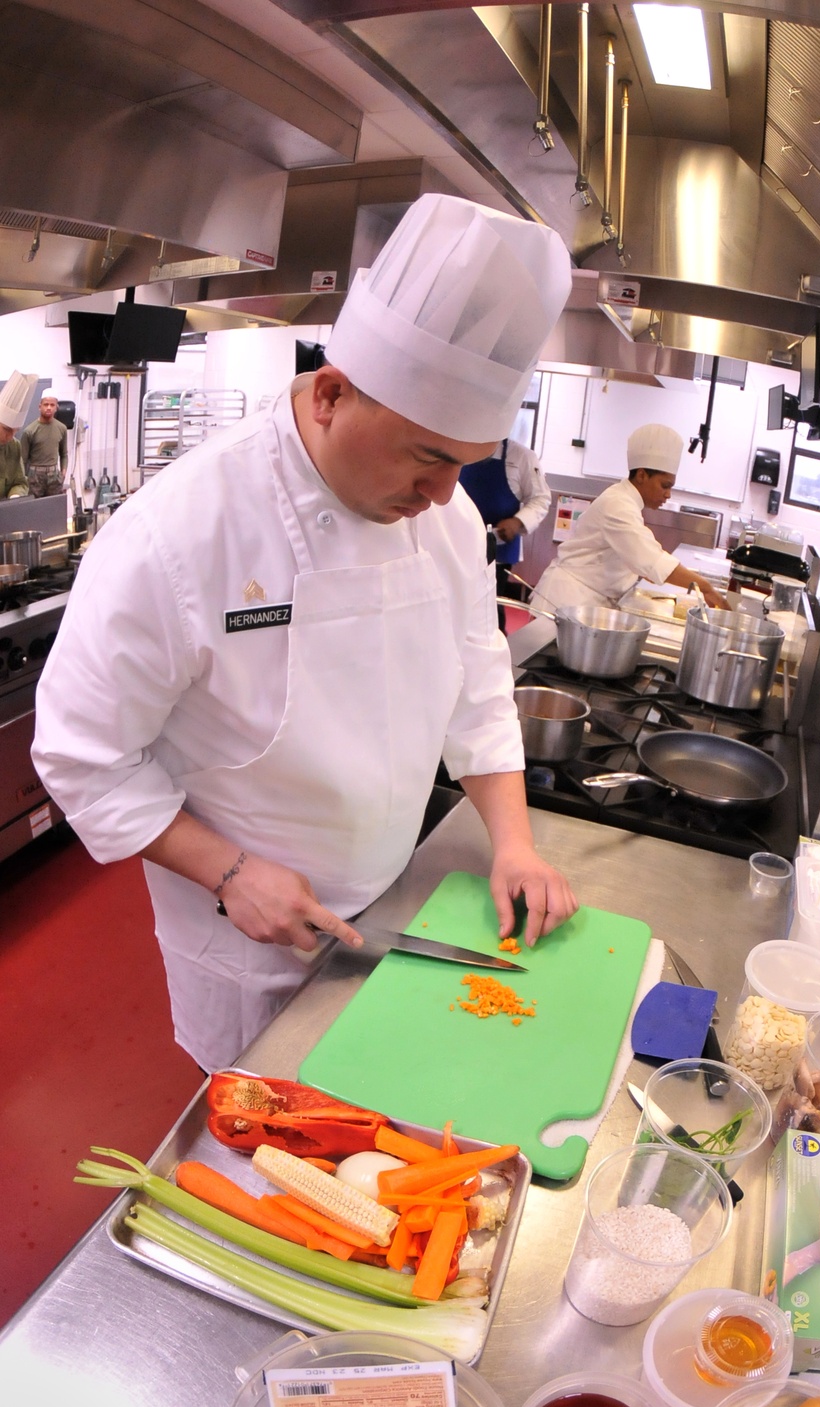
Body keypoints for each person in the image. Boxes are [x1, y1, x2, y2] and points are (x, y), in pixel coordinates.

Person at [32, 194, 579, 1073]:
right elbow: (80, 753)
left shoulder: (442, 523)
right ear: (330, 394)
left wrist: (512, 842)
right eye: (427, 456)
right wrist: (227, 871)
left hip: (404, 909)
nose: (444, 495)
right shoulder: (180, 534)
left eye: (464, 464)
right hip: (251, 943)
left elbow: (478, 683)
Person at [531, 422, 729, 613]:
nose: (668, 495)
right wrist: (706, 588)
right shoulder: (618, 505)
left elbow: (642, 561)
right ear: (642, 475)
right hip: (564, 601)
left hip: (585, 602)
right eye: (665, 485)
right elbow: (651, 560)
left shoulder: (626, 501)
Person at [458, 436, 551, 629]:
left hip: (497, 547)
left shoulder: (522, 457)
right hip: (457, 541)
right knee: (456, 604)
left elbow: (541, 499)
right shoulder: (459, 445)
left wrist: (517, 522)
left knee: (489, 609)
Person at [20, 388, 68, 497]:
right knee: (34, 509)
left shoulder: (62, 428)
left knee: (54, 508)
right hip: (35, 477)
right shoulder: (29, 431)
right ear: (40, 406)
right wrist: (24, 480)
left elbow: (64, 454)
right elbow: (23, 460)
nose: (49, 408)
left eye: (52, 405)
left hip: (54, 476)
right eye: (46, 404)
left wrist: (63, 473)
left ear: (57, 407)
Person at [0, 371, 37, 499]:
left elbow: (20, 482)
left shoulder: (14, 446)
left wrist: (16, 495)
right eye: (7, 430)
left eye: (16, 431)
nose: (10, 437)